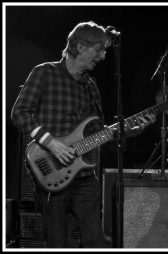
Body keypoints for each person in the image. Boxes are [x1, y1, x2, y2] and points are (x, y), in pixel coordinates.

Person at [11, 21, 155, 248]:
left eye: (105, 50)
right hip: (50, 172)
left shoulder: (91, 84)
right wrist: (53, 143)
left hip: (85, 176)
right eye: (99, 49)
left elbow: (96, 134)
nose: (103, 56)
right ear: (79, 47)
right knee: (57, 242)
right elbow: (19, 113)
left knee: (95, 241)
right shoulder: (44, 73)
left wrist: (128, 132)